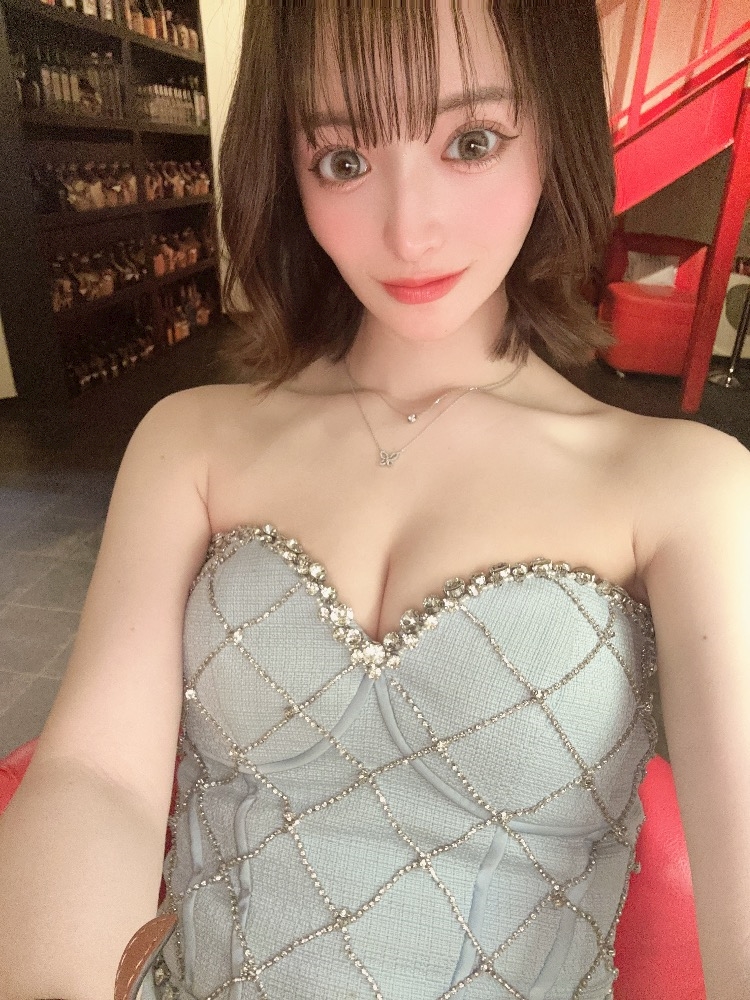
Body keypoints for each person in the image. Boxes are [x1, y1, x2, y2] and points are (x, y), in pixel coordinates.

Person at [1, 1, 749, 998]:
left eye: (471, 142)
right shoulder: (191, 443)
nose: (408, 230)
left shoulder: (684, 486)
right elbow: (97, 775)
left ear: (555, 132)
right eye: (343, 159)